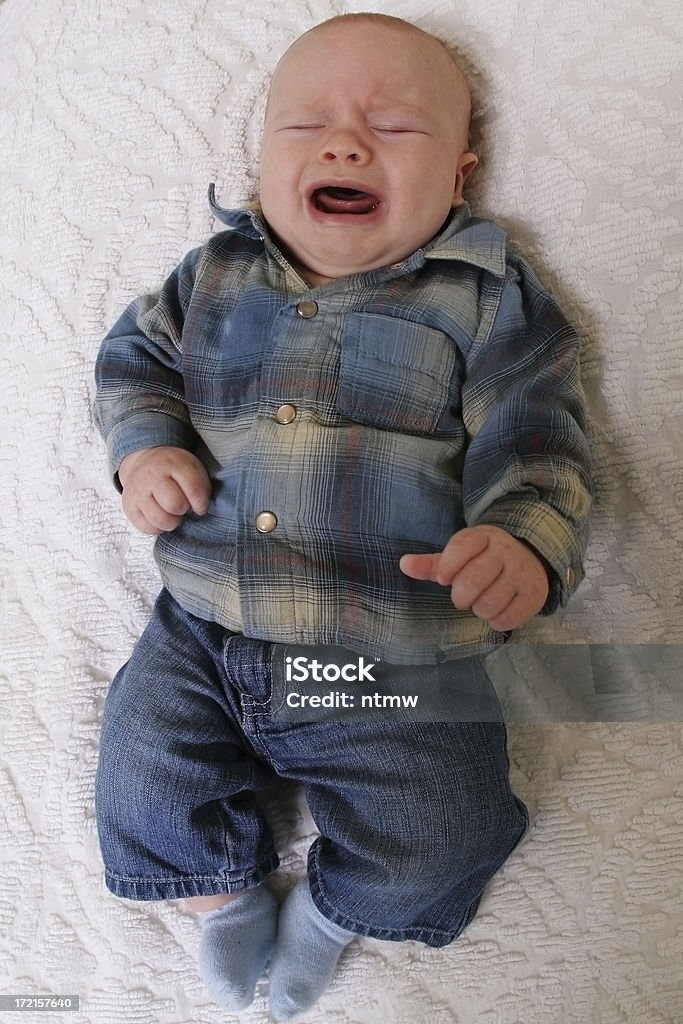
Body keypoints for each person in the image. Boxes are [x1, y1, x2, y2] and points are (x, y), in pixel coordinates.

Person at [93, 12, 592, 1020]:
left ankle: (330, 912)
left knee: (440, 826)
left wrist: (521, 543)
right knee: (141, 778)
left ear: (459, 175)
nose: (343, 142)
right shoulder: (214, 275)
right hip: (202, 628)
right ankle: (222, 892)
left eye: (392, 129)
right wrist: (145, 445)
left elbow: (537, 433)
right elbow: (131, 360)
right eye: (305, 125)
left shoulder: (482, 297)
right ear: (261, 164)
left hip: (390, 648)